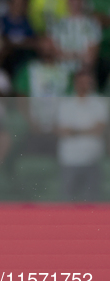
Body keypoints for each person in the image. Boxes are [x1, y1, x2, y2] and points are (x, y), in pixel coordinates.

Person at [56, 71, 108, 202]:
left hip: (93, 158)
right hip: (69, 159)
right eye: (81, 82)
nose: (85, 85)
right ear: (75, 84)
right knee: (67, 200)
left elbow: (99, 129)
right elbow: (62, 130)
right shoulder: (65, 104)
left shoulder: (100, 103)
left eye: (87, 82)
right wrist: (88, 130)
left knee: (92, 201)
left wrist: (74, 131)